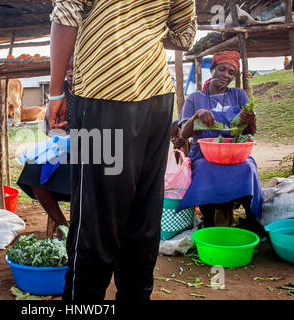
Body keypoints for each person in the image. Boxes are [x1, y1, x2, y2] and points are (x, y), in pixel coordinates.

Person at [47, 1, 196, 300]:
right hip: (157, 97)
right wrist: (141, 31)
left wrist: (55, 93)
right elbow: (184, 35)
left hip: (105, 92)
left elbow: (65, 14)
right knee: (143, 216)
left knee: (95, 220)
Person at [177, 51, 266, 237]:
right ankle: (208, 221)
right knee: (204, 168)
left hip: (235, 153)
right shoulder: (195, 98)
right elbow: (184, 134)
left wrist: (251, 120)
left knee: (248, 167)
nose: (226, 75)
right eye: (222, 69)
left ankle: (251, 218)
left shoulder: (239, 95)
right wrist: (196, 116)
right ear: (212, 69)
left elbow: (251, 132)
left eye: (231, 72)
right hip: (204, 153)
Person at [16, 58, 76, 239]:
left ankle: (85, 227)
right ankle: (62, 225)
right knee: (32, 172)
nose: (71, 73)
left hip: (95, 150)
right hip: (65, 149)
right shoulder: (61, 90)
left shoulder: (96, 90)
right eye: (67, 69)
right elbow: (46, 127)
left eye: (75, 68)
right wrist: (54, 129)